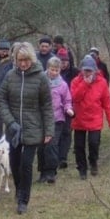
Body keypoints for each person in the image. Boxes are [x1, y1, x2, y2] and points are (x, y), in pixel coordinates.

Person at [0, 42, 54, 214]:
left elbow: (47, 105)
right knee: (14, 162)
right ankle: (18, 188)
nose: (23, 64)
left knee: (26, 164)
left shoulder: (41, 78)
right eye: (20, 60)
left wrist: (49, 130)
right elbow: (1, 100)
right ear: (15, 60)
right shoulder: (10, 76)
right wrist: (10, 122)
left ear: (32, 59)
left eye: (26, 60)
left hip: (33, 127)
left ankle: (23, 200)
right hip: (14, 128)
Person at [70, 55, 110, 179]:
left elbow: (107, 103)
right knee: (79, 146)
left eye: (90, 70)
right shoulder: (76, 81)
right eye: (85, 70)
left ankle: (93, 162)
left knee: (94, 143)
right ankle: (82, 169)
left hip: (95, 118)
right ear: (81, 70)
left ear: (95, 70)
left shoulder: (102, 82)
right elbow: (75, 98)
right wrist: (85, 84)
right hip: (79, 118)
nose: (87, 72)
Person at [37, 56, 73, 184]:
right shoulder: (40, 81)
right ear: (48, 68)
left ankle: (51, 173)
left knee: (51, 146)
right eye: (52, 69)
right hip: (41, 118)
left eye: (57, 70)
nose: (54, 72)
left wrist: (68, 108)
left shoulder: (63, 85)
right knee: (41, 147)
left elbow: (67, 100)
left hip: (57, 119)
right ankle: (42, 172)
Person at [55, 47, 77, 169]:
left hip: (69, 106)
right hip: (56, 107)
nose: (63, 63)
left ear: (68, 61)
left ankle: (62, 158)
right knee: (56, 132)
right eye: (60, 61)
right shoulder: (52, 73)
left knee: (66, 132)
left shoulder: (75, 72)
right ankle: (56, 156)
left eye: (65, 61)